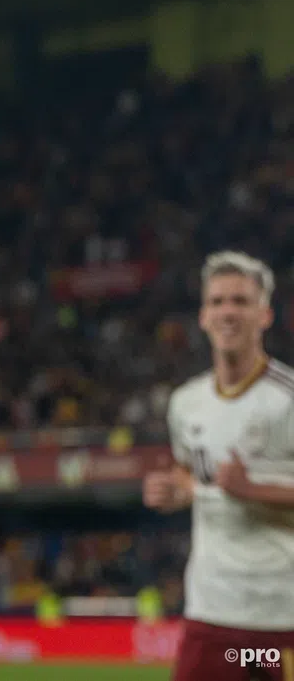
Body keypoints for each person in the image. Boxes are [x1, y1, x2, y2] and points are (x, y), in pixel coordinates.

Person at [144, 251, 294, 681]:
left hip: (277, 616)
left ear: (264, 315)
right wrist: (176, 489)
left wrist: (253, 491)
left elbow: (237, 488)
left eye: (241, 301)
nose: (228, 312)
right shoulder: (185, 403)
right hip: (210, 611)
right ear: (204, 317)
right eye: (218, 302)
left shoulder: (287, 399)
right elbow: (191, 474)